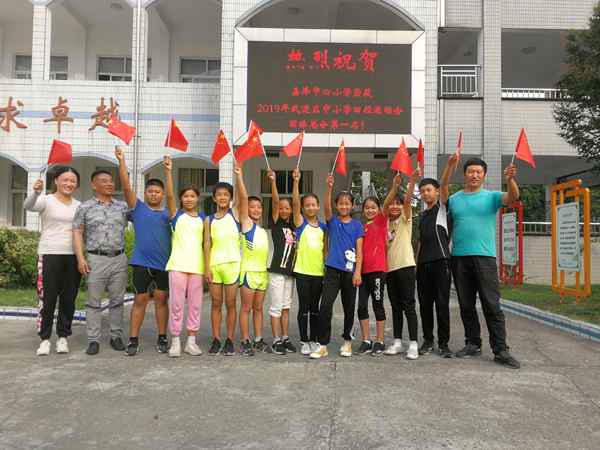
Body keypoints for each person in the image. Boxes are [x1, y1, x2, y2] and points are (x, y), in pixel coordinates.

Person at [443, 155, 521, 369]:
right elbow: (449, 228)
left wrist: (509, 180)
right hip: (459, 257)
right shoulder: (454, 200)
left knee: (492, 305)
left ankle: (500, 349)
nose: (474, 175)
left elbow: (513, 196)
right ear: (464, 174)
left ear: (484, 175)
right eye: (471, 171)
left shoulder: (492, 197)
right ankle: (473, 343)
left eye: (478, 172)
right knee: (466, 305)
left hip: (485, 258)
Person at [115, 147, 171, 356]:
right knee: (139, 301)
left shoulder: (170, 213)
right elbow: (125, 185)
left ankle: (162, 338)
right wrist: (122, 161)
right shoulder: (138, 208)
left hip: (164, 265)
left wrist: (168, 171)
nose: (153, 194)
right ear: (145, 193)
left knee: (161, 300)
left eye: (157, 192)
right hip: (141, 263)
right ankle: (133, 340)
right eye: (150, 191)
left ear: (163, 195)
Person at [24, 167, 82, 356]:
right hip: (49, 253)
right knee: (47, 299)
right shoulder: (45, 200)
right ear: (56, 180)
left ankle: (63, 338)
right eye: (65, 179)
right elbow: (28, 206)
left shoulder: (79, 206)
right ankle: (45, 339)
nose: (68, 184)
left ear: (77, 184)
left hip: (72, 256)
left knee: (68, 299)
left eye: (73, 181)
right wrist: (35, 193)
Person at [73, 169, 132, 355]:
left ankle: (116, 337)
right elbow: (77, 233)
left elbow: (142, 218)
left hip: (119, 259)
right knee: (94, 302)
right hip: (96, 259)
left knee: (117, 301)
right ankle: (93, 340)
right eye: (104, 181)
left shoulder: (122, 207)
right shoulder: (84, 207)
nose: (109, 184)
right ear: (94, 185)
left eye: (111, 181)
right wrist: (80, 258)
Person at [310, 174, 363, 359]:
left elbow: (360, 250)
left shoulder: (357, 225)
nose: (344, 206)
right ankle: (322, 344)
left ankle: (347, 342)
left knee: (349, 307)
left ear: (353, 206)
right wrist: (329, 187)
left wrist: (357, 271)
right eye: (341, 203)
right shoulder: (332, 221)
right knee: (325, 305)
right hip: (332, 269)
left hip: (350, 271)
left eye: (347, 203)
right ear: (336, 205)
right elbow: (325, 207)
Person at [163, 156, 206, 358]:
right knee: (177, 305)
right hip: (178, 266)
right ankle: (175, 342)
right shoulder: (176, 215)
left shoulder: (204, 219)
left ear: (198, 198)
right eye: (186, 196)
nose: (189, 199)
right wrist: (169, 171)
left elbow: (207, 244)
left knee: (195, 306)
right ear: (181, 199)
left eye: (193, 196)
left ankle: (191, 342)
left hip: (197, 268)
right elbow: (169, 195)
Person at [382, 168, 421, 360]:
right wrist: (393, 189)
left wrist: (411, 181)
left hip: (405, 266)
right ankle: (397, 342)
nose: (395, 206)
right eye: (392, 203)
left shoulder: (405, 220)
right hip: (390, 269)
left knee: (408, 306)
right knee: (395, 307)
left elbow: (407, 201)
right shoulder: (385, 223)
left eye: (398, 203)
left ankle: (413, 344)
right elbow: (385, 205)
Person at [204, 175, 242, 356]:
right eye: (219, 194)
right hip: (215, 266)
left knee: (231, 303)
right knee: (216, 303)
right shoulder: (209, 219)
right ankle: (216, 339)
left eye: (226, 194)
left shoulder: (235, 214)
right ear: (214, 198)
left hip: (232, 265)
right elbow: (207, 244)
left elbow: (242, 196)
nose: (222, 197)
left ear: (231, 198)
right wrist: (207, 267)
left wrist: (239, 175)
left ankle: (229, 340)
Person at [236, 164, 272, 356]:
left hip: (262, 274)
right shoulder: (246, 224)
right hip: (249, 273)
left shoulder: (261, 229)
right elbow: (242, 198)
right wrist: (239, 176)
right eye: (252, 207)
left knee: (258, 308)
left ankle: (258, 340)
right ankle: (245, 341)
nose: (256, 209)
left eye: (259, 207)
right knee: (247, 308)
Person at [415, 173, 452, 358]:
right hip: (423, 264)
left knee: (442, 305)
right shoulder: (422, 216)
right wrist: (416, 264)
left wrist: (450, 165)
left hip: (441, 261)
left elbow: (445, 185)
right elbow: (421, 241)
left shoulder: (442, 208)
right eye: (422, 191)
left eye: (428, 190)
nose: (425, 194)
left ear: (436, 191)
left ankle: (444, 344)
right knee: (425, 305)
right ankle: (428, 341)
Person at [292, 169, 326, 355]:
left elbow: (326, 250)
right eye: (307, 205)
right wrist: (296, 182)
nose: (311, 208)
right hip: (302, 273)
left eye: (313, 205)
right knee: (303, 308)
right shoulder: (300, 223)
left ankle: (314, 339)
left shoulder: (324, 228)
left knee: (315, 309)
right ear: (303, 209)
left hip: (318, 273)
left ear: (318, 206)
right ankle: (304, 341)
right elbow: (295, 203)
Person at [266, 168, 297, 355]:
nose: (284, 210)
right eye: (281, 208)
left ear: (291, 210)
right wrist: (273, 181)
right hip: (277, 271)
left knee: (286, 307)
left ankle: (285, 338)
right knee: (276, 307)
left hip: (290, 274)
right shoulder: (277, 223)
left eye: (287, 208)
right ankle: (276, 340)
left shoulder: (294, 226)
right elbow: (276, 201)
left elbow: (296, 202)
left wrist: (296, 182)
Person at [354, 196, 387, 357]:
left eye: (373, 207)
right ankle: (366, 342)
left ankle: (380, 342)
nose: (370, 210)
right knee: (361, 307)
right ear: (362, 210)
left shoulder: (380, 222)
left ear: (379, 210)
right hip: (362, 273)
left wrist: (395, 186)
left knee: (378, 305)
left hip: (377, 271)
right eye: (367, 207)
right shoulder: (361, 227)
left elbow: (387, 203)